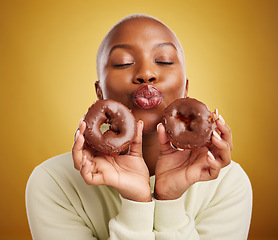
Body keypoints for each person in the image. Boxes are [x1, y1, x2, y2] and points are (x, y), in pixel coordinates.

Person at [26, 13, 252, 239]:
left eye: (163, 60)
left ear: (185, 88)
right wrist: (135, 202)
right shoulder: (53, 183)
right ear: (99, 92)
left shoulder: (226, 183)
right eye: (123, 63)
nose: (146, 74)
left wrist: (171, 201)